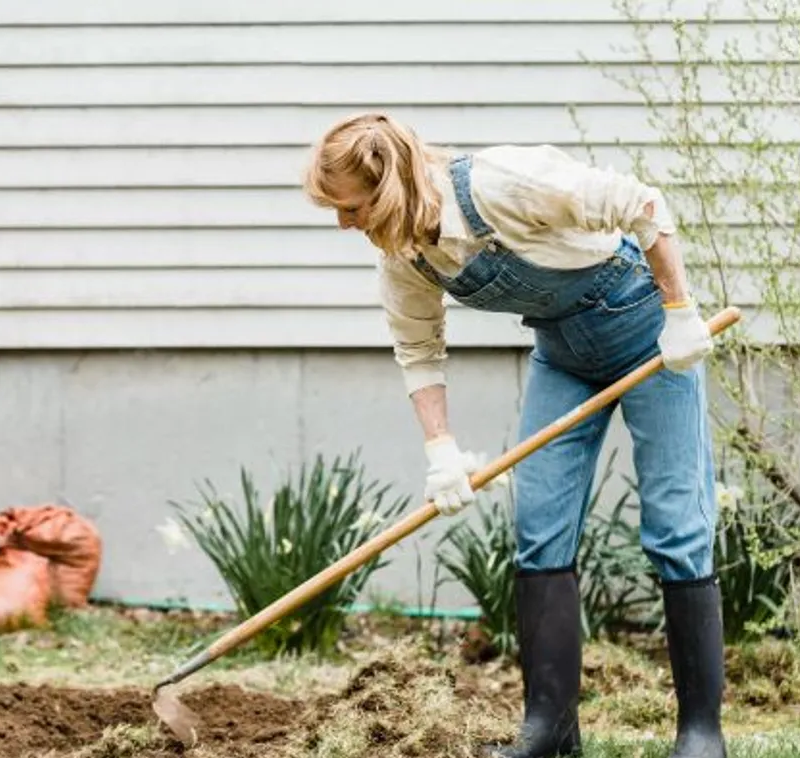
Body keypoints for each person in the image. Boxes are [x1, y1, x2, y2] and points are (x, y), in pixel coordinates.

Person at [302, 112, 726, 758]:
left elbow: (640, 203)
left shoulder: (500, 182)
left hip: (648, 336)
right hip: (564, 354)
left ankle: (700, 734)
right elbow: (418, 351)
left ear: (384, 189)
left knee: (675, 525)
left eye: (349, 207)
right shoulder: (405, 254)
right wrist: (439, 451)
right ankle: (550, 733)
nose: (343, 223)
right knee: (539, 527)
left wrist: (680, 310)